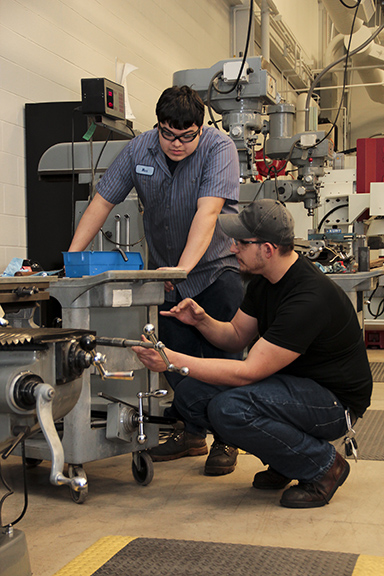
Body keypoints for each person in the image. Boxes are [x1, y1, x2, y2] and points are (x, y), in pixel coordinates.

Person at [132, 198, 372, 508]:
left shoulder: (308, 297)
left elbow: (248, 373)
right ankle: (287, 461)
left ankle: (323, 465)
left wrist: (171, 360)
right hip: (293, 388)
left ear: (268, 249)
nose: (233, 249)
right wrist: (201, 320)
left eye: (241, 243)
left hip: (334, 404)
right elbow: (234, 337)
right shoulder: (264, 281)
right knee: (191, 394)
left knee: (230, 409)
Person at [68, 85, 244, 475]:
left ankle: (228, 438)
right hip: (168, 275)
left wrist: (181, 269)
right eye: (168, 133)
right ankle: (192, 432)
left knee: (223, 358)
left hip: (217, 270)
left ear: (200, 128)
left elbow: (208, 213)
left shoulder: (220, 149)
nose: (177, 143)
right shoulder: (139, 149)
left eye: (187, 136)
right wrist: (72, 259)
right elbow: (102, 201)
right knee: (171, 357)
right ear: (158, 125)